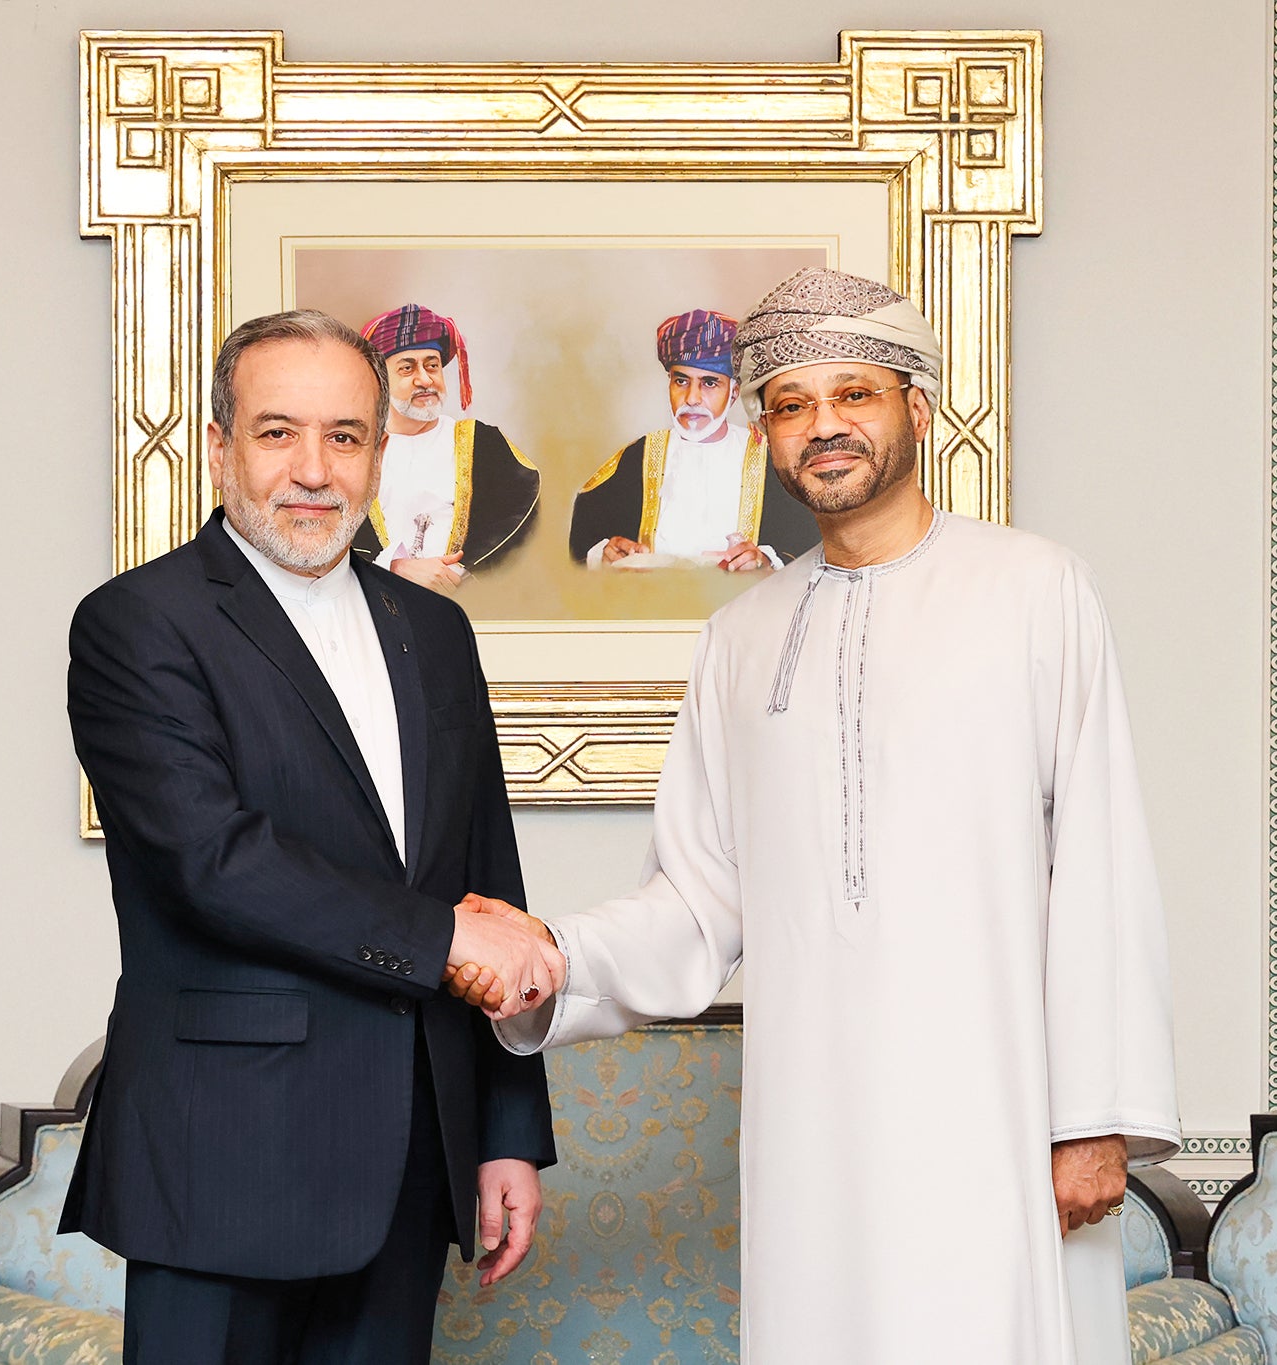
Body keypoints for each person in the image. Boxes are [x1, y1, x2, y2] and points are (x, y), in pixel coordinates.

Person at [450, 268, 1180, 1364]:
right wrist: (549, 957)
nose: (822, 426)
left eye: (855, 394)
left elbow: (1100, 862)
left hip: (998, 1118)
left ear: (916, 411)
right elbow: (696, 901)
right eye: (790, 405)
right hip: (812, 1139)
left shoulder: (1035, 589)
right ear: (766, 435)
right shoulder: (739, 638)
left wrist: (1091, 1119)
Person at [63, 308, 564, 1364]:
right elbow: (212, 862)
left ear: (379, 455)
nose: (311, 469)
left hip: (415, 1155)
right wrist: (443, 942)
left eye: (343, 436)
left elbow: (486, 881)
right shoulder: (135, 624)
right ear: (219, 447)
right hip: (224, 1156)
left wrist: (507, 1135)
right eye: (276, 431)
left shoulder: (433, 631)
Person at [569, 308, 818, 570]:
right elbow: (585, 539)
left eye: (709, 383)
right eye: (681, 381)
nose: (692, 398)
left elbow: (809, 543)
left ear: (734, 392)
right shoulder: (638, 457)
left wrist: (765, 560)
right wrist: (604, 553)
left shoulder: (771, 459)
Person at [352, 304, 539, 591]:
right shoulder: (353, 452)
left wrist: (462, 575)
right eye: (407, 368)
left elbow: (524, 514)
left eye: (432, 365)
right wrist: (393, 566)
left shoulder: (483, 443)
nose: (425, 380)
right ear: (380, 380)